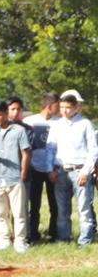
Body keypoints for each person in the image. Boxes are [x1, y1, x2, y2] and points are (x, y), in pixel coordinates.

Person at [46, 89, 97, 245]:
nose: (64, 110)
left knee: (84, 209)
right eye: (61, 107)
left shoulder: (85, 124)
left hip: (79, 170)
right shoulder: (56, 125)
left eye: (68, 107)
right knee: (62, 210)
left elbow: (93, 150)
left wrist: (85, 171)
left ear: (76, 107)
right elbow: (50, 148)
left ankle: (85, 241)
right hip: (61, 171)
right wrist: (50, 169)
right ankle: (63, 239)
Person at [0, 99, 31, 252]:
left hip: (14, 177)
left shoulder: (18, 131)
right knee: (0, 213)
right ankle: (3, 240)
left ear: (6, 114)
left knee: (19, 213)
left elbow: (26, 153)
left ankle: (20, 241)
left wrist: (23, 173)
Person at [23, 93, 59, 243]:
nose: (60, 108)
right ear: (50, 106)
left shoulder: (59, 122)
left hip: (53, 168)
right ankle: (33, 233)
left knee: (55, 203)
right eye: (58, 105)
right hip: (34, 168)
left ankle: (54, 232)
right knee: (34, 203)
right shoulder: (29, 121)